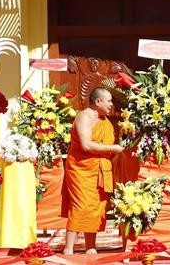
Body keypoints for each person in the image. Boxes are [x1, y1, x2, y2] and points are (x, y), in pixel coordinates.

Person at [61, 87, 124, 254]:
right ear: (97, 102)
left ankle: (90, 246)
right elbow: (86, 145)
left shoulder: (105, 121)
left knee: (96, 208)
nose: (111, 104)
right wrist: (113, 148)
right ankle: (68, 248)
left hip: (100, 169)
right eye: (108, 101)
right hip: (81, 168)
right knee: (80, 205)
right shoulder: (84, 117)